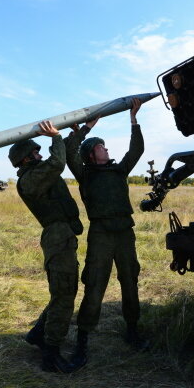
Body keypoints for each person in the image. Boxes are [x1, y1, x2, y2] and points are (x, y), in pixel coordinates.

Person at [65, 98, 149, 366]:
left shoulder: (118, 170)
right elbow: (69, 152)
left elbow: (136, 151)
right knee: (95, 285)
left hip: (125, 232)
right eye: (101, 147)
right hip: (101, 234)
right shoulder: (85, 174)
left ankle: (132, 331)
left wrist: (134, 120)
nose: (106, 149)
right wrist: (85, 129)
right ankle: (82, 341)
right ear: (91, 154)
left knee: (130, 280)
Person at [9, 120, 84, 373]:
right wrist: (56, 137)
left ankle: (38, 334)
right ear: (26, 159)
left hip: (62, 235)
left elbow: (61, 154)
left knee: (62, 291)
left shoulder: (37, 173)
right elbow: (57, 162)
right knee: (64, 295)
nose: (39, 155)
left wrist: (82, 130)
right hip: (57, 238)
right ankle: (51, 355)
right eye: (35, 153)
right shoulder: (30, 180)